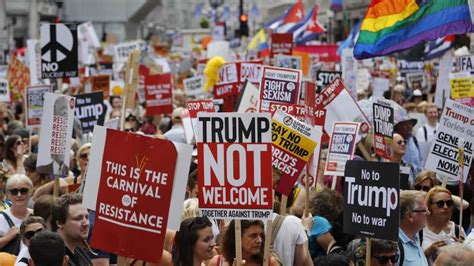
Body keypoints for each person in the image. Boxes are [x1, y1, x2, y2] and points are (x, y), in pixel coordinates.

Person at [422, 186, 466, 263]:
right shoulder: (420, 230)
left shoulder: (457, 229)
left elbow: (467, 260)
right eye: (440, 203)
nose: (445, 207)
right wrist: (428, 252)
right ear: (429, 206)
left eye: (449, 203)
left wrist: (463, 248)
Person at [208, 220, 280, 266]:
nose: (259, 240)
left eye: (261, 235)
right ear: (236, 237)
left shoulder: (270, 263)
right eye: (253, 236)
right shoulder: (216, 263)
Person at [51, 193, 92, 266]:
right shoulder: (53, 257)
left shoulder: (79, 250)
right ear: (60, 223)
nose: (86, 223)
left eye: (87, 217)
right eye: (78, 218)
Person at [0, 174, 33, 255]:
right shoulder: (1, 218)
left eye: (24, 191)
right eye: (14, 191)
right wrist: (7, 238)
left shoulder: (37, 215)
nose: (19, 195)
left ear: (31, 192)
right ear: (8, 194)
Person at [398, 190, 429, 266]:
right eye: (424, 210)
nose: (428, 213)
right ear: (409, 216)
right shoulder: (395, 247)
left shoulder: (417, 238)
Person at [394, 109, 423, 177]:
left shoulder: (414, 139)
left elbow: (420, 161)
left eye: (410, 123)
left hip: (417, 181)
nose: (409, 127)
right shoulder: (393, 141)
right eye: (405, 124)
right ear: (398, 127)